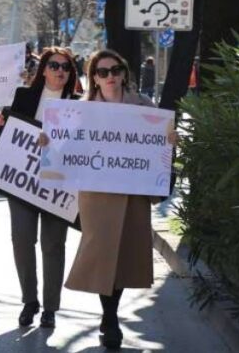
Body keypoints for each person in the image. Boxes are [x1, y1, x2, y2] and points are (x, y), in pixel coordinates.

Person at [61, 49, 176, 350]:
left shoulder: (144, 107)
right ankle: (110, 318)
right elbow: (66, 149)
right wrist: (49, 141)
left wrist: (170, 141)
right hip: (97, 194)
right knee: (102, 252)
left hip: (133, 191)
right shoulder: (82, 110)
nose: (110, 76)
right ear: (94, 79)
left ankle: (109, 315)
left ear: (124, 73)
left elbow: (158, 148)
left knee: (124, 254)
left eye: (115, 70)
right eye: (103, 72)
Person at [0, 47, 80, 329]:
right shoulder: (24, 97)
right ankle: (30, 300)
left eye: (66, 67)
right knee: (22, 239)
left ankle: (50, 308)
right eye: (54, 65)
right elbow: (7, 135)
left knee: (53, 244)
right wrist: (0, 125)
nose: (60, 71)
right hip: (22, 181)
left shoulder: (80, 103)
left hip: (59, 185)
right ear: (43, 69)